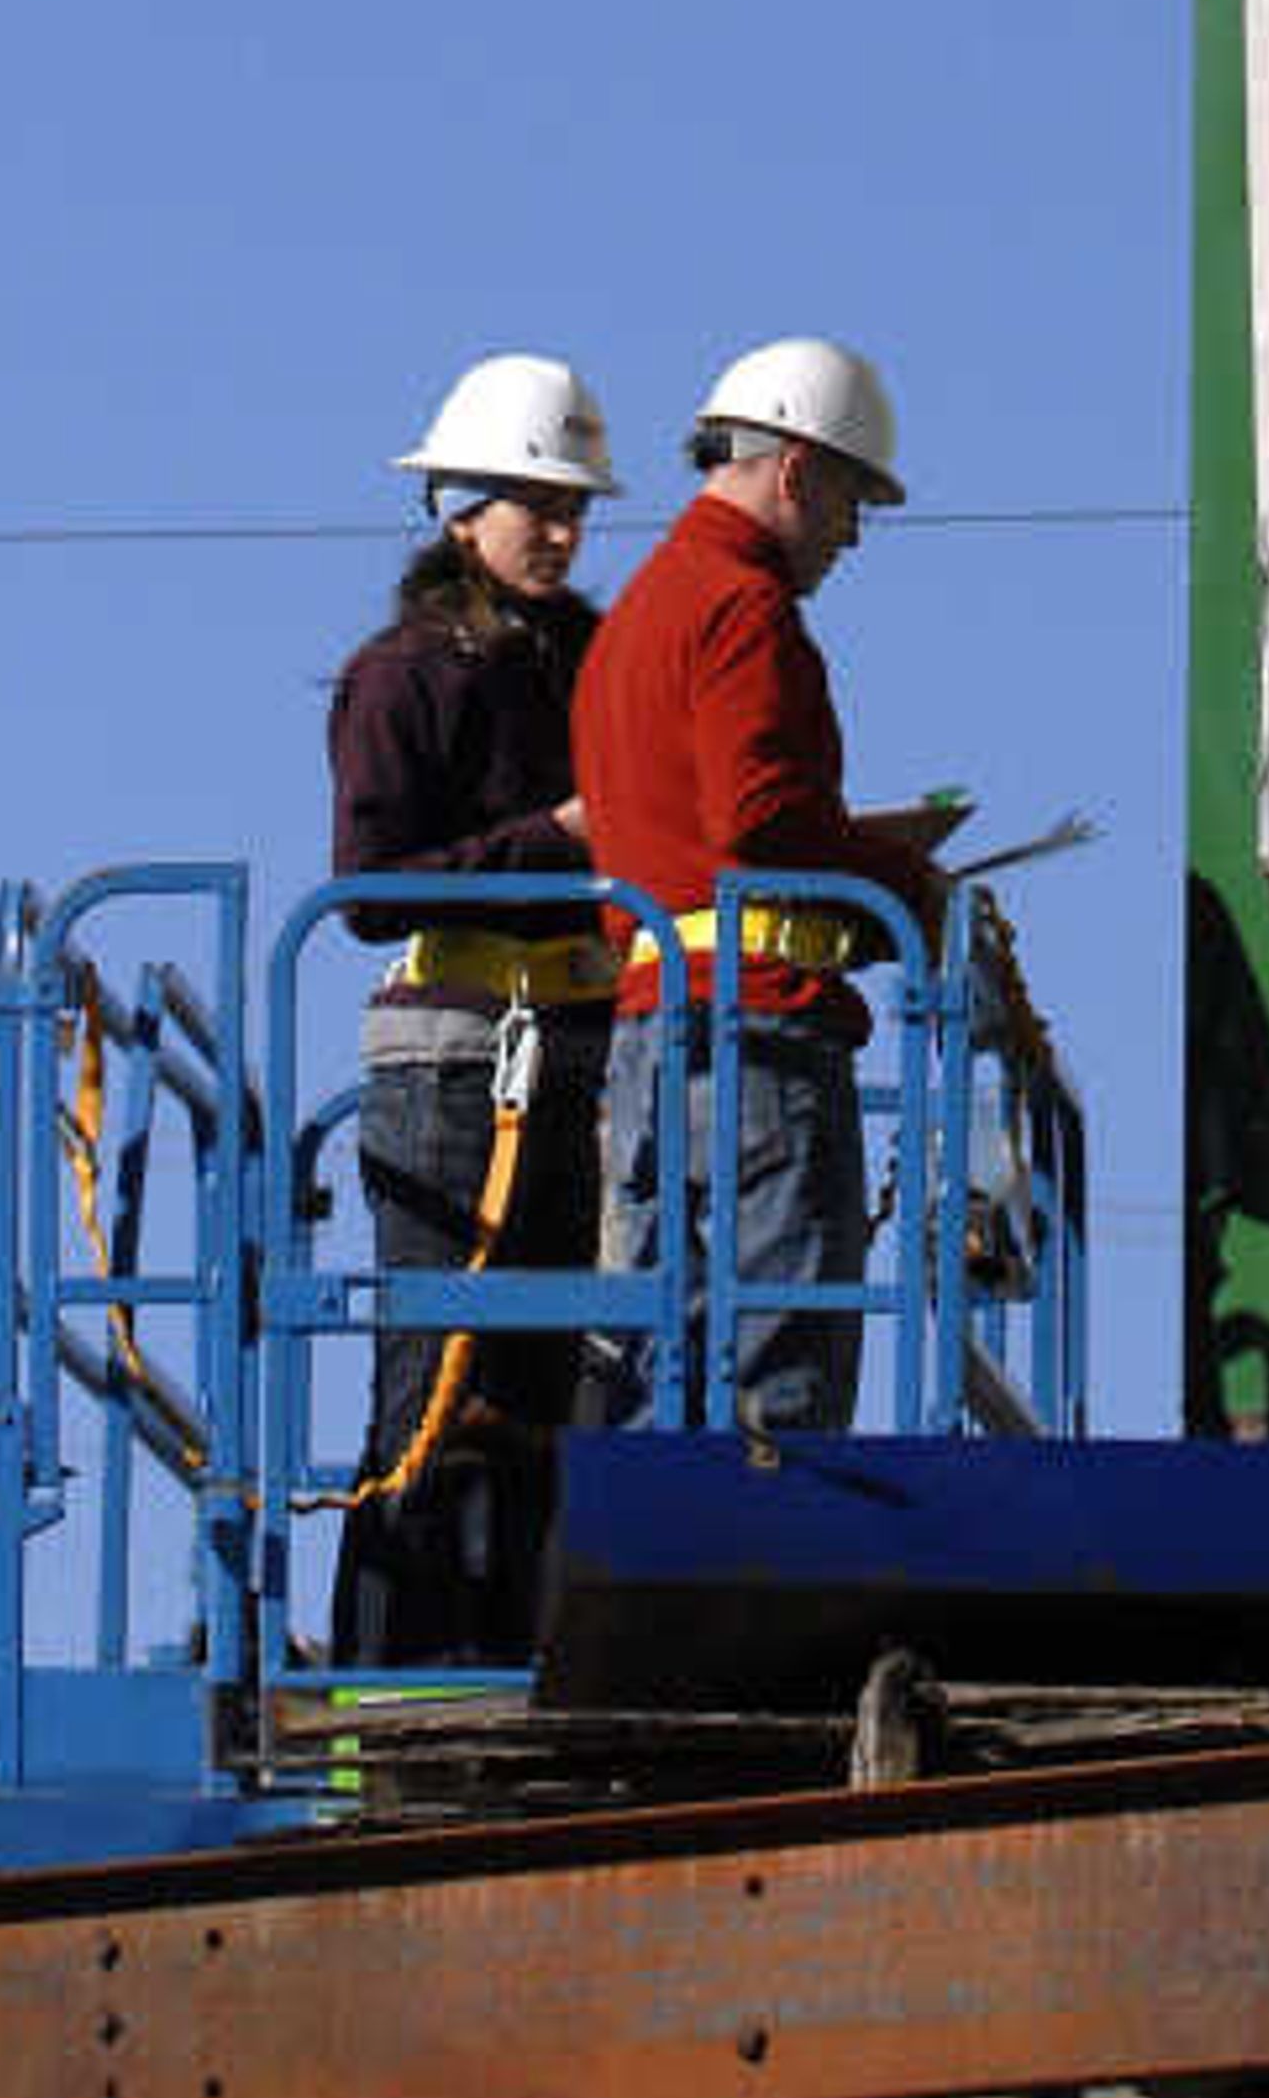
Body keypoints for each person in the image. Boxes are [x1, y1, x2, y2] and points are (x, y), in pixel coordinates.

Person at [578, 339, 950, 1436]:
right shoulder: (742, 607)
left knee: (671, 1358)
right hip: (758, 1032)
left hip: (655, 1033)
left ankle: (658, 1580)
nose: (850, 532)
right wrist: (903, 878)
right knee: (776, 1373)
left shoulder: (635, 619)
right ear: (793, 470)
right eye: (848, 497)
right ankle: (765, 1580)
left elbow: (683, 826)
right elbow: (762, 818)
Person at [325, 349, 624, 1662]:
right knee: (437, 1385)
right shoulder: (405, 676)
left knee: (544, 1388)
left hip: (574, 1047)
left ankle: (511, 1654)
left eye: (573, 509)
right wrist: (556, 841)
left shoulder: (587, 661)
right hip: (451, 1064)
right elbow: (369, 891)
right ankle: (392, 1667)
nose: (561, 532)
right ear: (459, 510)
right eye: (534, 506)